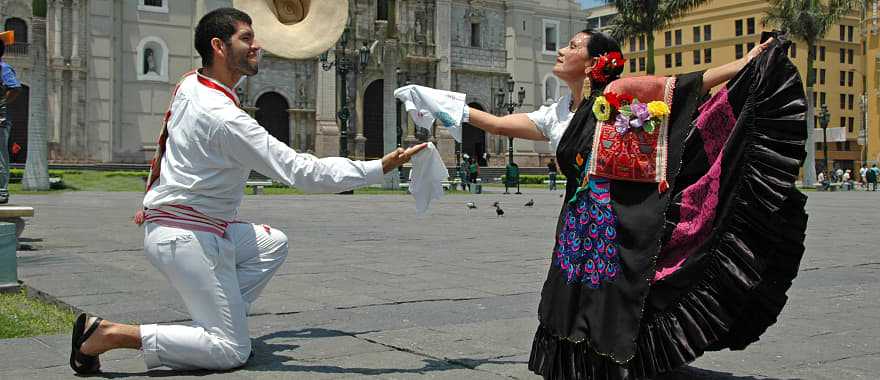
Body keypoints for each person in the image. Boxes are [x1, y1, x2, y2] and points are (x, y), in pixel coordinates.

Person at [400, 29, 809, 379]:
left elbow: (688, 84)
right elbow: (493, 123)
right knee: (572, 293)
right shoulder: (556, 114)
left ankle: (626, 362)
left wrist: (748, 62)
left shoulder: (621, 95)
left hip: (620, 219)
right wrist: (438, 101)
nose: (562, 50)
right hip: (578, 223)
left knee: (617, 293)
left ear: (595, 61)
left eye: (574, 45)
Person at [68, 8, 426, 374]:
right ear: (218, 46)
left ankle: (219, 324)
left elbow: (165, 146)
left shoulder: (191, 84)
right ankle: (109, 334)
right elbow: (303, 172)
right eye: (247, 39)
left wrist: (151, 199)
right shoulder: (225, 118)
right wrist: (377, 167)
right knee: (230, 352)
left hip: (185, 226)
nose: (258, 45)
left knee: (273, 243)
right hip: (188, 236)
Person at [0, 40, 20, 204]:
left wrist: (1, 104)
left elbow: (15, 88)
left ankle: (1, 191)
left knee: (0, 155)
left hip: (0, 119)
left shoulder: (3, 68)